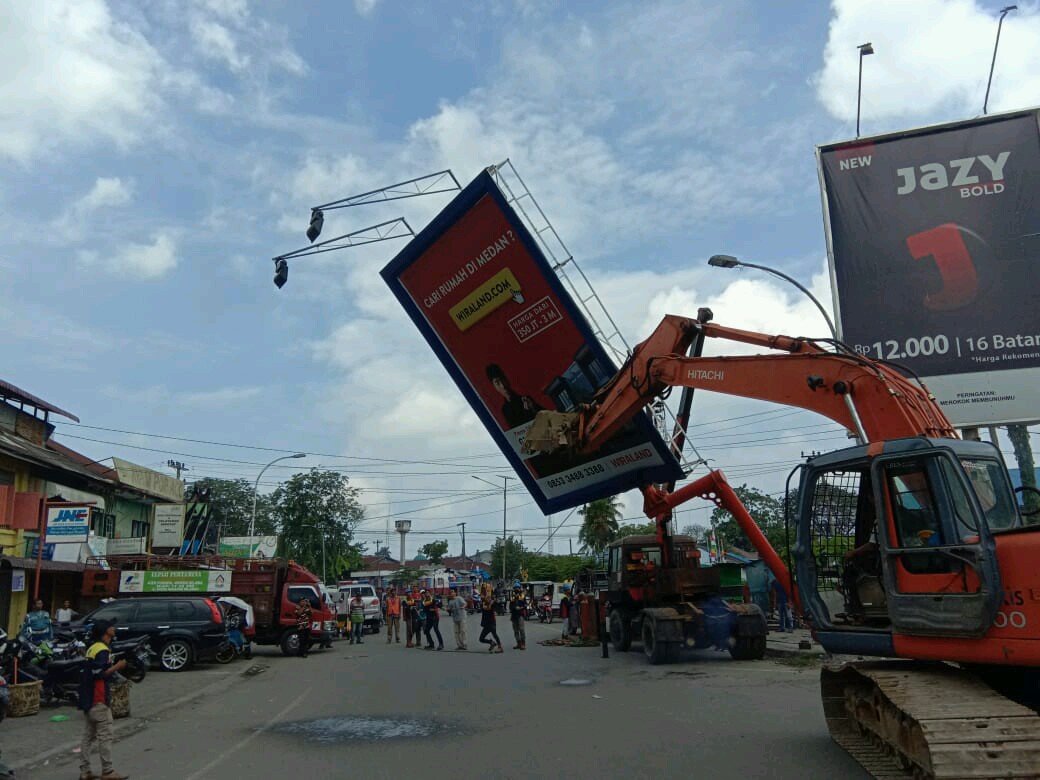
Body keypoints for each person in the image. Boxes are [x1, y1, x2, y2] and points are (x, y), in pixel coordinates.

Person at [77, 619, 127, 780]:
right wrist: (117, 667)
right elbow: (99, 673)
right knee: (105, 735)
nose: (114, 628)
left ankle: (85, 771)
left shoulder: (92, 648)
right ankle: (108, 771)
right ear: (105, 631)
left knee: (88, 736)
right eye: (111, 627)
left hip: (87, 697)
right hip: (98, 698)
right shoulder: (102, 650)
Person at [486, 363, 544, 428]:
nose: (502, 385)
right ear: (495, 387)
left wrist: (533, 409)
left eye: (503, 379)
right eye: (497, 383)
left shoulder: (527, 399)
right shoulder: (505, 410)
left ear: (506, 379)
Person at [478, 585, 504, 653]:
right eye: (486, 597)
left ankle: (500, 647)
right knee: (481, 639)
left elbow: (494, 605)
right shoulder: (483, 603)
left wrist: (494, 600)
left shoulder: (492, 603)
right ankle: (492, 643)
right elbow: (482, 605)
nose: (487, 598)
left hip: (491, 622)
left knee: (495, 634)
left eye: (488, 597)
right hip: (486, 624)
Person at [508, 584, 528, 650]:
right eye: (515, 588)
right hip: (514, 615)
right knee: (515, 630)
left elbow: (525, 605)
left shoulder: (522, 596)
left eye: (517, 588)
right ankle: (518, 643)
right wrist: (514, 608)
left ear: (519, 589)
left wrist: (520, 607)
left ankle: (523, 644)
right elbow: (510, 606)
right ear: (514, 589)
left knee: (521, 629)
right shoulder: (512, 597)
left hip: (520, 614)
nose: (516, 589)